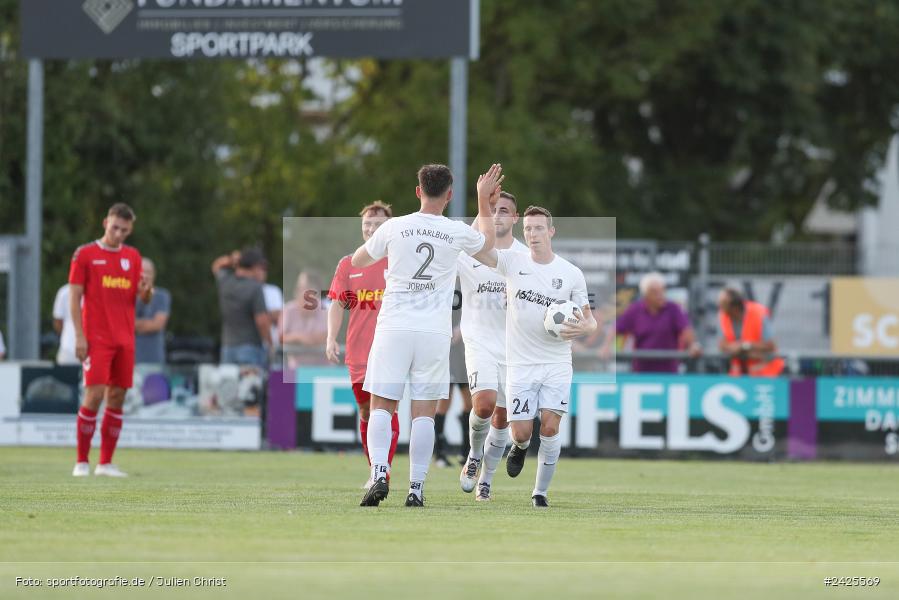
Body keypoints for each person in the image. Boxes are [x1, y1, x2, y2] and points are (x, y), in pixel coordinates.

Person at [353, 163, 500, 508]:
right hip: (434, 333)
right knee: (424, 413)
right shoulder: (454, 231)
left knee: (382, 407)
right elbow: (489, 246)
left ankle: (378, 473)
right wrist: (482, 201)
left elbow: (359, 260)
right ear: (449, 195)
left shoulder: (394, 226)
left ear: (418, 191)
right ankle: (416, 488)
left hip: (393, 327)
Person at [472, 205, 597, 508]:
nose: (532, 234)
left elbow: (591, 321)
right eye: (527, 229)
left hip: (556, 363)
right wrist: (482, 205)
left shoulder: (570, 273)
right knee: (522, 431)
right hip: (521, 364)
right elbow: (479, 251)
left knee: (551, 427)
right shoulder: (512, 262)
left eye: (539, 228)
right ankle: (519, 446)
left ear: (551, 231)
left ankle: (539, 493)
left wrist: (582, 328)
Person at [70, 203, 153, 477]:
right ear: (105, 222)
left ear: (131, 230)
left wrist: (146, 292)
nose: (118, 233)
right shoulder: (85, 254)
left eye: (124, 230)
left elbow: (142, 298)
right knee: (94, 395)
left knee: (117, 396)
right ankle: (81, 461)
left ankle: (105, 463)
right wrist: (80, 336)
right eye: (115, 227)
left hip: (125, 338)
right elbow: (74, 297)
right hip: (97, 337)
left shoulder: (133, 256)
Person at [457, 191, 528, 500]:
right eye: (492, 210)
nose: (497, 215)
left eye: (504, 211)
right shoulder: (471, 250)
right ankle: (474, 456)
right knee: (483, 405)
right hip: (478, 340)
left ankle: (486, 478)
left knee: (502, 419)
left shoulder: (525, 257)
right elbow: (462, 242)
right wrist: (482, 200)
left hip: (514, 349)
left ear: (515, 218)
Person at [325, 201, 399, 488]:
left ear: (388, 228)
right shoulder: (349, 263)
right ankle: (375, 470)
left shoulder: (398, 260)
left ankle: (383, 470)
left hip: (392, 348)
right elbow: (336, 303)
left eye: (377, 224)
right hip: (358, 351)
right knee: (367, 411)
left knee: (388, 409)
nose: (371, 229)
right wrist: (331, 337)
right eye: (367, 224)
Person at [600, 272, 699, 372]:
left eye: (662, 291)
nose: (660, 295)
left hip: (669, 372)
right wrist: (606, 346)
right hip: (642, 372)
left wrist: (693, 345)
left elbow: (686, 329)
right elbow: (616, 327)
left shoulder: (673, 309)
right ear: (646, 294)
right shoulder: (636, 310)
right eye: (655, 292)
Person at [211, 247, 272, 370]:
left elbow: (216, 265)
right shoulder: (255, 288)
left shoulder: (225, 281)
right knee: (249, 387)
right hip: (250, 347)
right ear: (255, 267)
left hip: (227, 347)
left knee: (228, 387)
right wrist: (269, 343)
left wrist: (231, 260)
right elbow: (261, 321)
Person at [717, 287, 784, 376]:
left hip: (767, 374)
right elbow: (722, 345)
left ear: (735, 307)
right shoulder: (724, 316)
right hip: (741, 374)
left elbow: (770, 345)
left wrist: (745, 346)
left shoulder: (758, 313)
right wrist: (732, 348)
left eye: (724, 305)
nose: (722, 309)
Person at [280, 270, 328, 370]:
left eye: (305, 287)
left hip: (323, 369)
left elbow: (324, 337)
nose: (301, 291)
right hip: (295, 368)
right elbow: (280, 337)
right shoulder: (288, 310)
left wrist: (295, 338)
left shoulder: (325, 310)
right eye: (300, 288)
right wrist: (298, 337)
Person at [135, 258, 171, 364]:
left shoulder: (162, 296)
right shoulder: (125, 295)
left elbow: (157, 324)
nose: (145, 276)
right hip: (129, 359)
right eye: (142, 272)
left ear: (154, 274)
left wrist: (131, 325)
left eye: (148, 272)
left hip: (154, 358)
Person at [52, 283, 80, 365]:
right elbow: (58, 322)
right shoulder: (64, 292)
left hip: (94, 350)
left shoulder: (96, 290)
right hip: (68, 348)